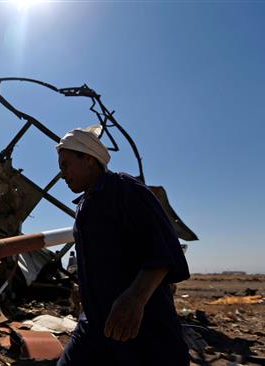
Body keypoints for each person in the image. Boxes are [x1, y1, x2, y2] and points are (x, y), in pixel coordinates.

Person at [56, 126, 190, 365]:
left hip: (139, 325)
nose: (62, 174)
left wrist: (135, 299)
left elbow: (163, 249)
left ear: (87, 158)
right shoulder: (85, 205)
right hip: (95, 325)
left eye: (65, 165)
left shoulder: (125, 189)